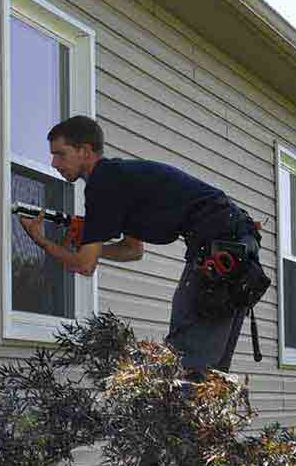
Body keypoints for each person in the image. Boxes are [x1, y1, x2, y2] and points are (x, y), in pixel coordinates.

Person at [18, 115, 264, 379]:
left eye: (60, 154)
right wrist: (92, 243)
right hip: (238, 244)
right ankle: (201, 416)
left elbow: (84, 265)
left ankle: (180, 418)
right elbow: (132, 250)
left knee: (186, 364)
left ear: (85, 151)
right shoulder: (121, 180)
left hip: (219, 248)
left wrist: (40, 240)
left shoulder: (103, 182)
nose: (54, 163)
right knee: (209, 373)